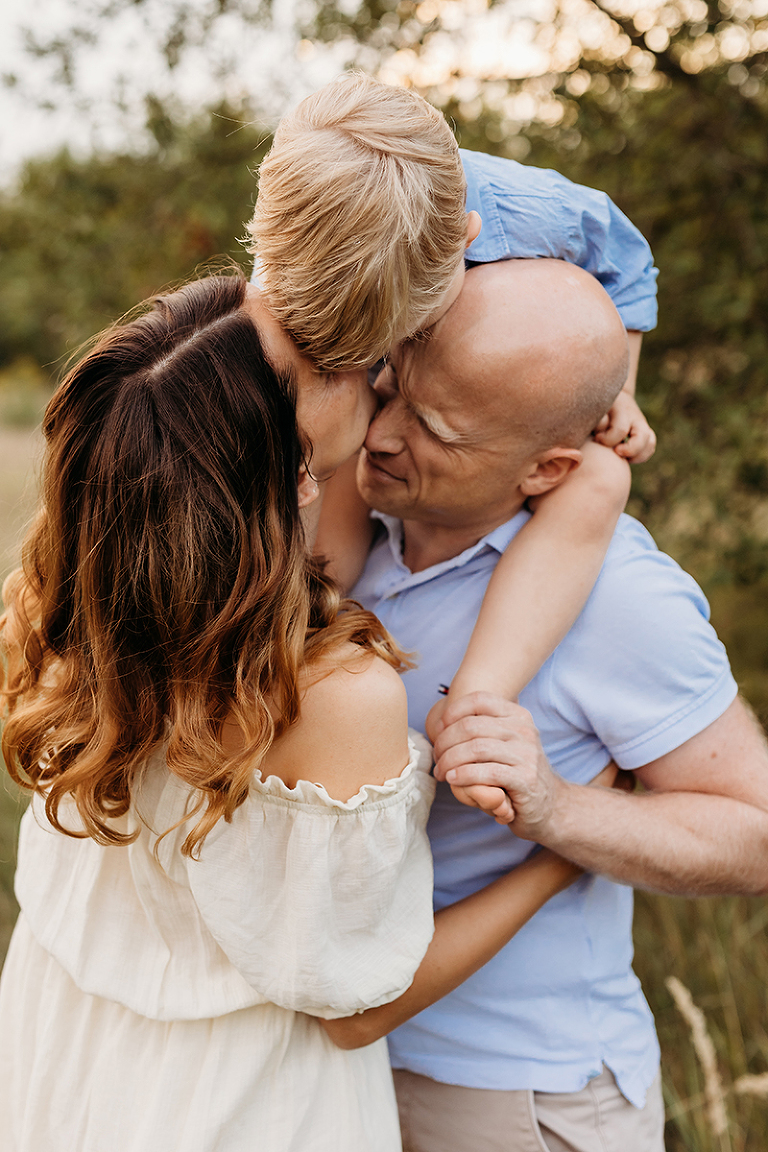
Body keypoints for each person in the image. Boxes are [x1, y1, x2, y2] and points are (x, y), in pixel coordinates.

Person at [0, 271, 615, 1152]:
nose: (360, 364)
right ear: (293, 475)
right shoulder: (331, 695)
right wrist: (557, 864)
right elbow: (355, 1012)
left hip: (62, 1055)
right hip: (239, 1110)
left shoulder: (56, 602)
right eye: (319, 365)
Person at [322, 258, 768, 1152]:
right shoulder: (350, 533)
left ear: (548, 467)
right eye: (392, 389)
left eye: (436, 429)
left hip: (519, 1095)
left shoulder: (618, 595)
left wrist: (558, 810)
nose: (383, 436)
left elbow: (755, 835)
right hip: (338, 1075)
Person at [246, 72, 657, 819]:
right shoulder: (297, 244)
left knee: (601, 477)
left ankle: (477, 694)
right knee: (338, 448)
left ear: (465, 240)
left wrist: (616, 390)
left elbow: (630, 265)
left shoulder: (533, 212)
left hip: (488, 378)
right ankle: (311, 621)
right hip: (396, 379)